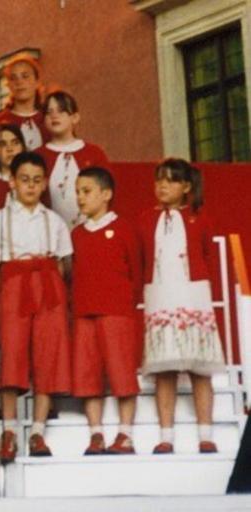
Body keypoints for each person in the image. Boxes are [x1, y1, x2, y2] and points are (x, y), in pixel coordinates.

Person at [0, 151, 73, 463]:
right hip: (14, 284)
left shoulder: (53, 220)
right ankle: (9, 429)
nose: (30, 186)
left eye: (36, 180)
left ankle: (38, 431)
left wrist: (49, 288)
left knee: (47, 352)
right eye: (24, 180)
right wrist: (1, 285)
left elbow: (62, 263)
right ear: (12, 182)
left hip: (46, 285)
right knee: (13, 353)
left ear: (44, 183)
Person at [138, 158, 225, 455]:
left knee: (200, 367)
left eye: (171, 180)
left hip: (192, 293)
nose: (162, 186)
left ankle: (206, 434)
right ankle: (166, 435)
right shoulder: (145, 219)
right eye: (159, 180)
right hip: (160, 293)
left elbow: (208, 258)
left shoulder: (199, 217)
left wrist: (203, 290)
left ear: (186, 187)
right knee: (165, 368)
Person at [70, 166, 142, 455]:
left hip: (116, 311)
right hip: (84, 312)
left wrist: (126, 303)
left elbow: (136, 272)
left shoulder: (123, 228)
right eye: (77, 192)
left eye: (86, 191)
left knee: (122, 371)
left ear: (106, 194)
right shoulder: (76, 234)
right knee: (88, 375)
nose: (80, 198)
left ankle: (125, 433)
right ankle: (96, 433)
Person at [37, 90, 110, 227]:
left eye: (61, 110)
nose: (54, 116)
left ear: (75, 117)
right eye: (49, 112)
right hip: (50, 232)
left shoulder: (94, 153)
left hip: (90, 231)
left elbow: (106, 195)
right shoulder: (38, 156)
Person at [0, 53, 48, 150]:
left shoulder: (48, 119)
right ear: (8, 85)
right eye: (13, 78)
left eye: (25, 76)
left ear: (37, 82)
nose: (19, 82)